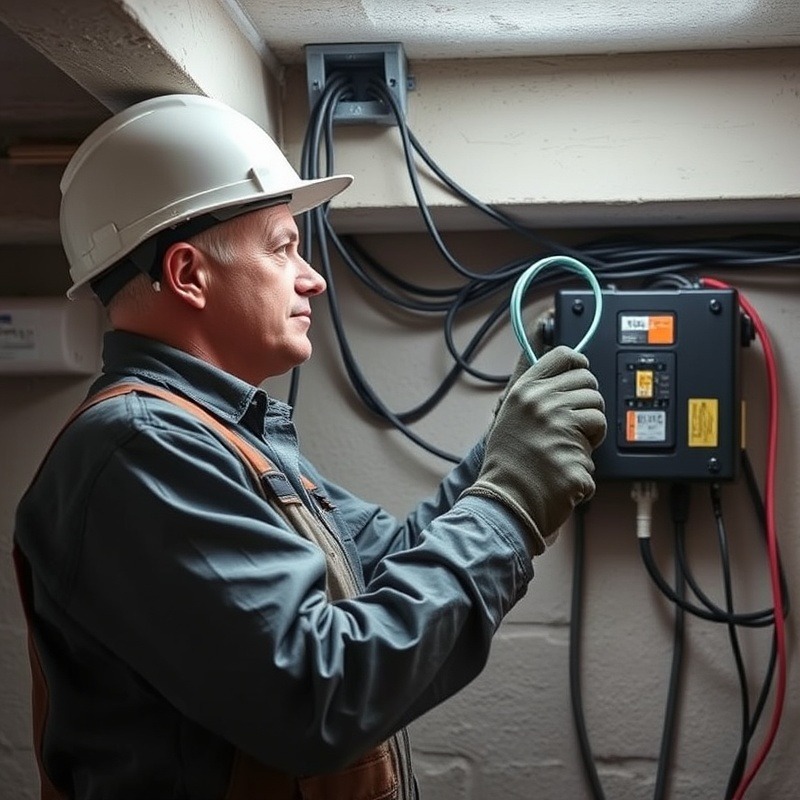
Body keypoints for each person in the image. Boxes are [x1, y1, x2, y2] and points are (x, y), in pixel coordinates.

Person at [13, 94, 606, 800]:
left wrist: (503, 454)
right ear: (187, 274)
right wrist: (509, 501)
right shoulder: (140, 450)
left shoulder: (220, 436)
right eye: (283, 246)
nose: (312, 277)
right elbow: (319, 693)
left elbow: (383, 569)